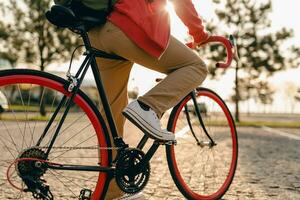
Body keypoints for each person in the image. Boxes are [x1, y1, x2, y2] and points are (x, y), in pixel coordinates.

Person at [86, 0, 210, 199]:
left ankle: (111, 192)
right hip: (126, 26)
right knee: (196, 67)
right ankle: (147, 106)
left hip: (97, 31)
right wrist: (199, 34)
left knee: (112, 110)